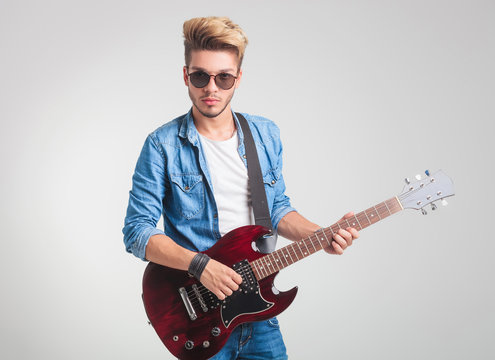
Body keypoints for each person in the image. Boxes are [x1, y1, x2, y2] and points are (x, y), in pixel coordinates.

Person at [123, 16, 359, 360]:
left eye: (224, 77)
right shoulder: (162, 145)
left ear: (238, 78)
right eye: (200, 76)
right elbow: (137, 231)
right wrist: (200, 265)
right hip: (199, 316)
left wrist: (322, 234)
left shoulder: (265, 134)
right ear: (185, 75)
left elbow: (276, 209)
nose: (211, 88)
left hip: (258, 311)